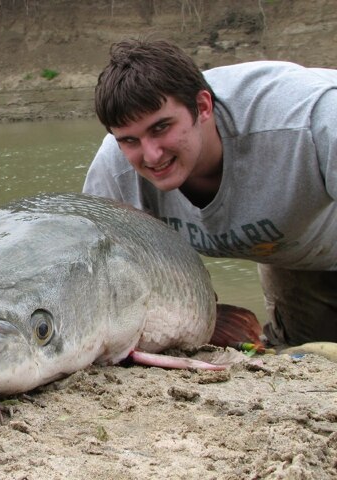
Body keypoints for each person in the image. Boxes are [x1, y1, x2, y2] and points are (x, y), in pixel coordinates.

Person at [83, 38, 337, 347]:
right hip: (292, 257)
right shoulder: (114, 171)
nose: (150, 155)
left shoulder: (310, 120)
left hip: (325, 229)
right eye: (129, 140)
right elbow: (98, 277)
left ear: (203, 107)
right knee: (304, 352)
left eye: (161, 128)